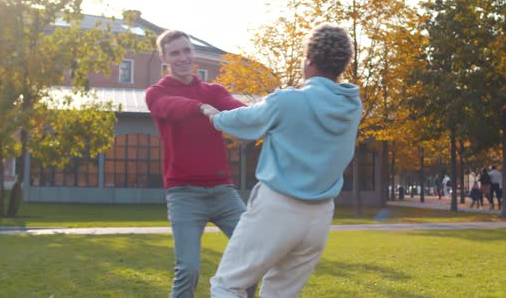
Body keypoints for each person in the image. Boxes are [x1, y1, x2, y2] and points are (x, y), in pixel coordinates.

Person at [205, 23, 362, 297]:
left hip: (278, 207)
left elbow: (247, 120)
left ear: (310, 59)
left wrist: (214, 116)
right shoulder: (352, 106)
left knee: (227, 285)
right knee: (279, 293)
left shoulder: (288, 101)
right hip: (320, 217)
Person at [145, 29, 255, 298]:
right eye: (175, 53)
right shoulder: (156, 93)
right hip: (184, 194)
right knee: (188, 269)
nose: (182, 57)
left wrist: (258, 115)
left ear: (192, 53)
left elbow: (235, 107)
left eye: (186, 50)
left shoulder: (213, 90)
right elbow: (171, 106)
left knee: (254, 257)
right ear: (164, 58)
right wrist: (202, 108)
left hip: (223, 191)